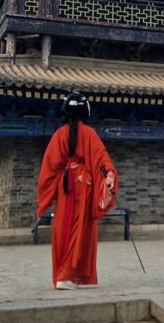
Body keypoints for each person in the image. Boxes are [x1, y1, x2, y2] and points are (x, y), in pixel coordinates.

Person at [36, 91, 118, 290]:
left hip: (65, 188)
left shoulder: (59, 135)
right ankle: (69, 275)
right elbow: (101, 158)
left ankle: (67, 275)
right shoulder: (89, 133)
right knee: (82, 229)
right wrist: (109, 175)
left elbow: (48, 168)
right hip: (85, 188)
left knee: (63, 228)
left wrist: (45, 197)